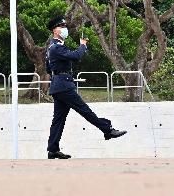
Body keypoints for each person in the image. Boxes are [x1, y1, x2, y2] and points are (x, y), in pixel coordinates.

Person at [45, 16, 127, 159]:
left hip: (59, 85)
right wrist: (83, 45)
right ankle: (107, 130)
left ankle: (53, 149)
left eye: (65, 26)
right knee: (85, 110)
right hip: (64, 86)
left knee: (58, 119)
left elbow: (48, 68)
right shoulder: (56, 47)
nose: (65, 29)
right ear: (55, 30)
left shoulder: (52, 47)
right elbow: (75, 56)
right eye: (62, 27)